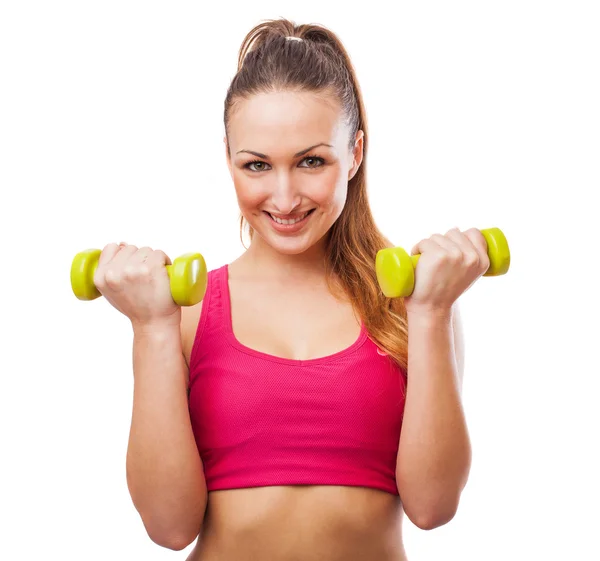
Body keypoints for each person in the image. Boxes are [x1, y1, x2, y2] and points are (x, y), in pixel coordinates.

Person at [93, 18, 491, 561]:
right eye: (257, 165)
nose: (283, 198)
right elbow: (168, 526)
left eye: (311, 161)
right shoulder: (182, 313)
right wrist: (150, 328)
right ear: (229, 160)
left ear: (353, 153)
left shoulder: (414, 302)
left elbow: (433, 506)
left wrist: (434, 312)